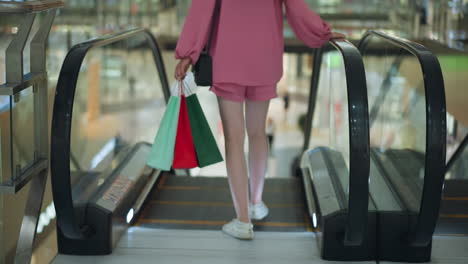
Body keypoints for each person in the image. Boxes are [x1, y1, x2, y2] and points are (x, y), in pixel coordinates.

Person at [174, 0, 345, 240]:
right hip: (265, 56)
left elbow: (202, 8)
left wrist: (187, 54)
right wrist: (322, 34)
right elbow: (296, 6)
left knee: (234, 139)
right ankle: (256, 203)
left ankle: (243, 221)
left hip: (227, 56)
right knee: (257, 133)